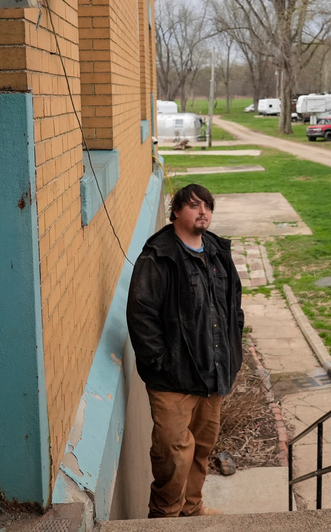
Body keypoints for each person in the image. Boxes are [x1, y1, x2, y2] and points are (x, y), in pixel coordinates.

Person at [126, 183, 244, 518]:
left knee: (201, 450)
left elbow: (233, 305)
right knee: (172, 455)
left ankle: (192, 509)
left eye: (207, 206)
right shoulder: (158, 255)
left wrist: (233, 353)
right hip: (173, 380)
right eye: (194, 205)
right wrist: (161, 363)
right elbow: (141, 313)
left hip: (213, 377)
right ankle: (165, 517)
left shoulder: (218, 252)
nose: (202, 212)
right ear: (176, 211)